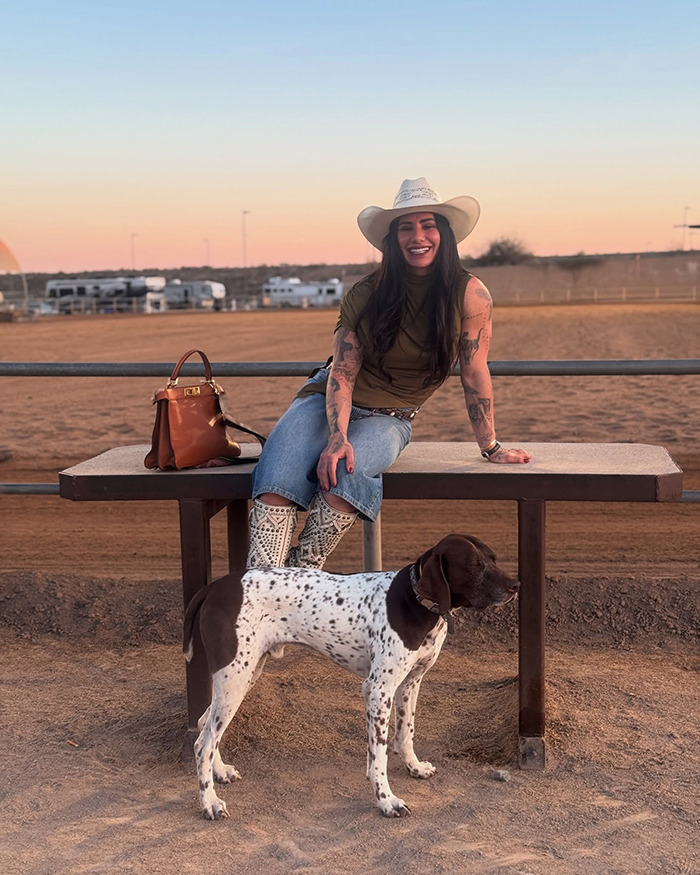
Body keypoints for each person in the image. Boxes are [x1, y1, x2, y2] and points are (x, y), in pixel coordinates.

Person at [247, 177, 530, 569]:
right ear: (392, 239)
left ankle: (299, 576)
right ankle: (261, 581)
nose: (419, 236)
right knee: (278, 477)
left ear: (444, 234)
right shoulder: (366, 293)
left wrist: (491, 446)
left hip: (390, 418)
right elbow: (342, 374)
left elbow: (474, 371)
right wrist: (337, 436)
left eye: (428, 225)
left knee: (348, 476)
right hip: (325, 401)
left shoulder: (470, 294)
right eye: (406, 227)